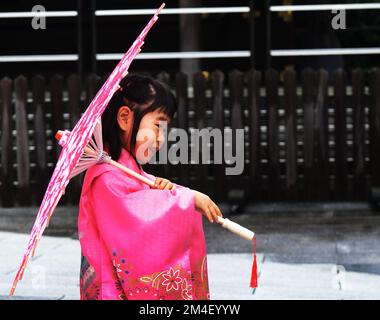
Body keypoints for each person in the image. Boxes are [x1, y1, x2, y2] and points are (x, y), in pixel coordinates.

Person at [78, 74, 223, 300]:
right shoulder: (104, 176)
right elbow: (134, 218)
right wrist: (186, 199)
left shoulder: (123, 169)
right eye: (158, 126)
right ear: (125, 118)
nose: (160, 139)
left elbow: (141, 202)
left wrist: (159, 192)